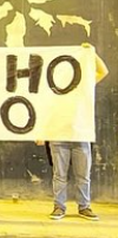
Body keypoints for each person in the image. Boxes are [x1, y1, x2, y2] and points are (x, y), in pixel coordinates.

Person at [44, 44, 109, 221]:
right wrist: (42, 132)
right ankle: (59, 207)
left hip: (80, 135)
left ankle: (84, 207)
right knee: (59, 175)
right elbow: (45, 110)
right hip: (58, 135)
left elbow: (103, 71)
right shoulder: (52, 89)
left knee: (83, 175)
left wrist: (92, 53)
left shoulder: (84, 84)